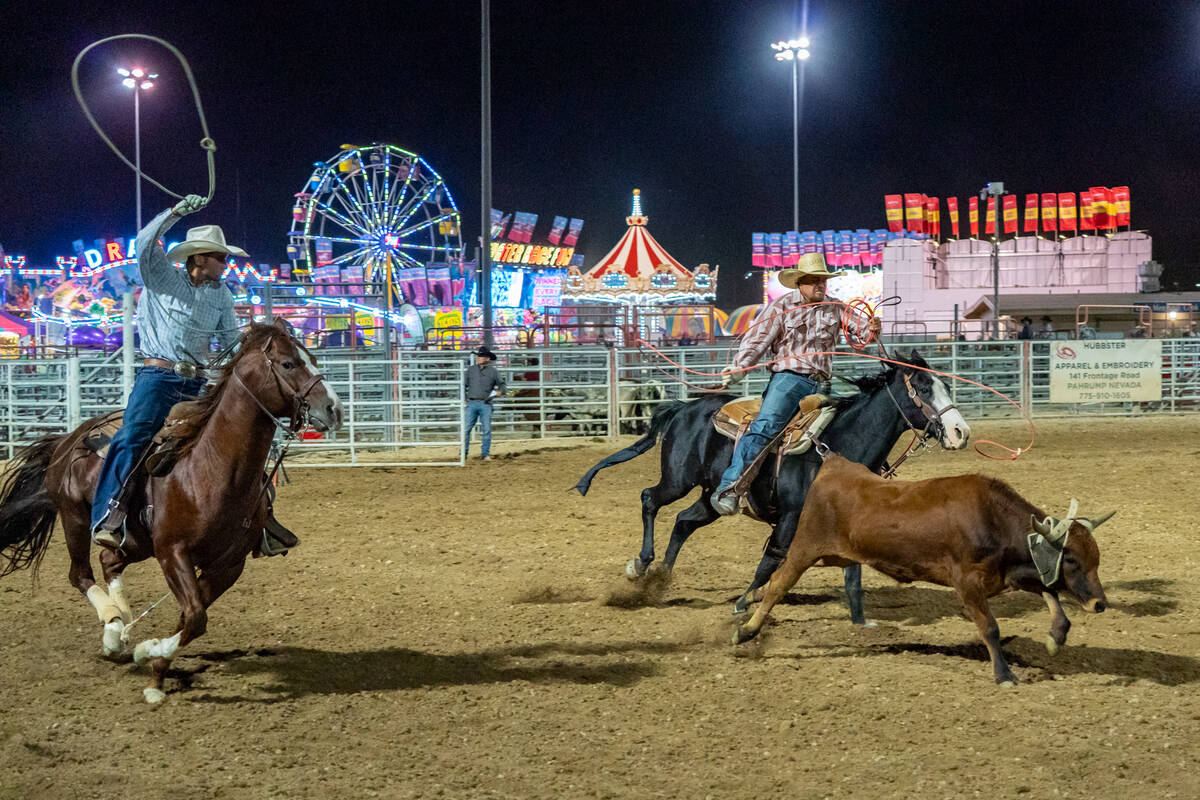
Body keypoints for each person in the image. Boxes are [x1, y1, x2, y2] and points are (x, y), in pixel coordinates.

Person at [91, 195, 298, 557]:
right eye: (221, 257)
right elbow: (143, 243)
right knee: (132, 437)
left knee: (240, 441)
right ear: (199, 256)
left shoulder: (221, 295)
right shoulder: (162, 278)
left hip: (197, 382)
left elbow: (232, 342)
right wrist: (176, 212)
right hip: (158, 378)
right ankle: (108, 516)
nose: (226, 264)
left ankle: (261, 520)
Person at [711, 252, 881, 516]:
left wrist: (872, 328)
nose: (819, 286)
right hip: (788, 381)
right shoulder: (781, 307)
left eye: (822, 280)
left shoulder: (836, 308)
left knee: (850, 428)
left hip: (822, 384)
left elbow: (863, 333)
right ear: (800, 283)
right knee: (766, 426)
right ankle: (730, 487)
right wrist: (738, 368)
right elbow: (756, 341)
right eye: (813, 281)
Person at [464, 345, 505, 460]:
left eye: (482, 356)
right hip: (473, 402)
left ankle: (485, 453)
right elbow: (463, 385)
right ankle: (464, 453)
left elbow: (502, 385)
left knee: (486, 429)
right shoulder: (471, 370)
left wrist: (500, 392)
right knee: (467, 428)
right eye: (479, 356)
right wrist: (464, 400)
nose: (479, 358)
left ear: (487, 358)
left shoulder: (493, 371)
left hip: (485, 403)